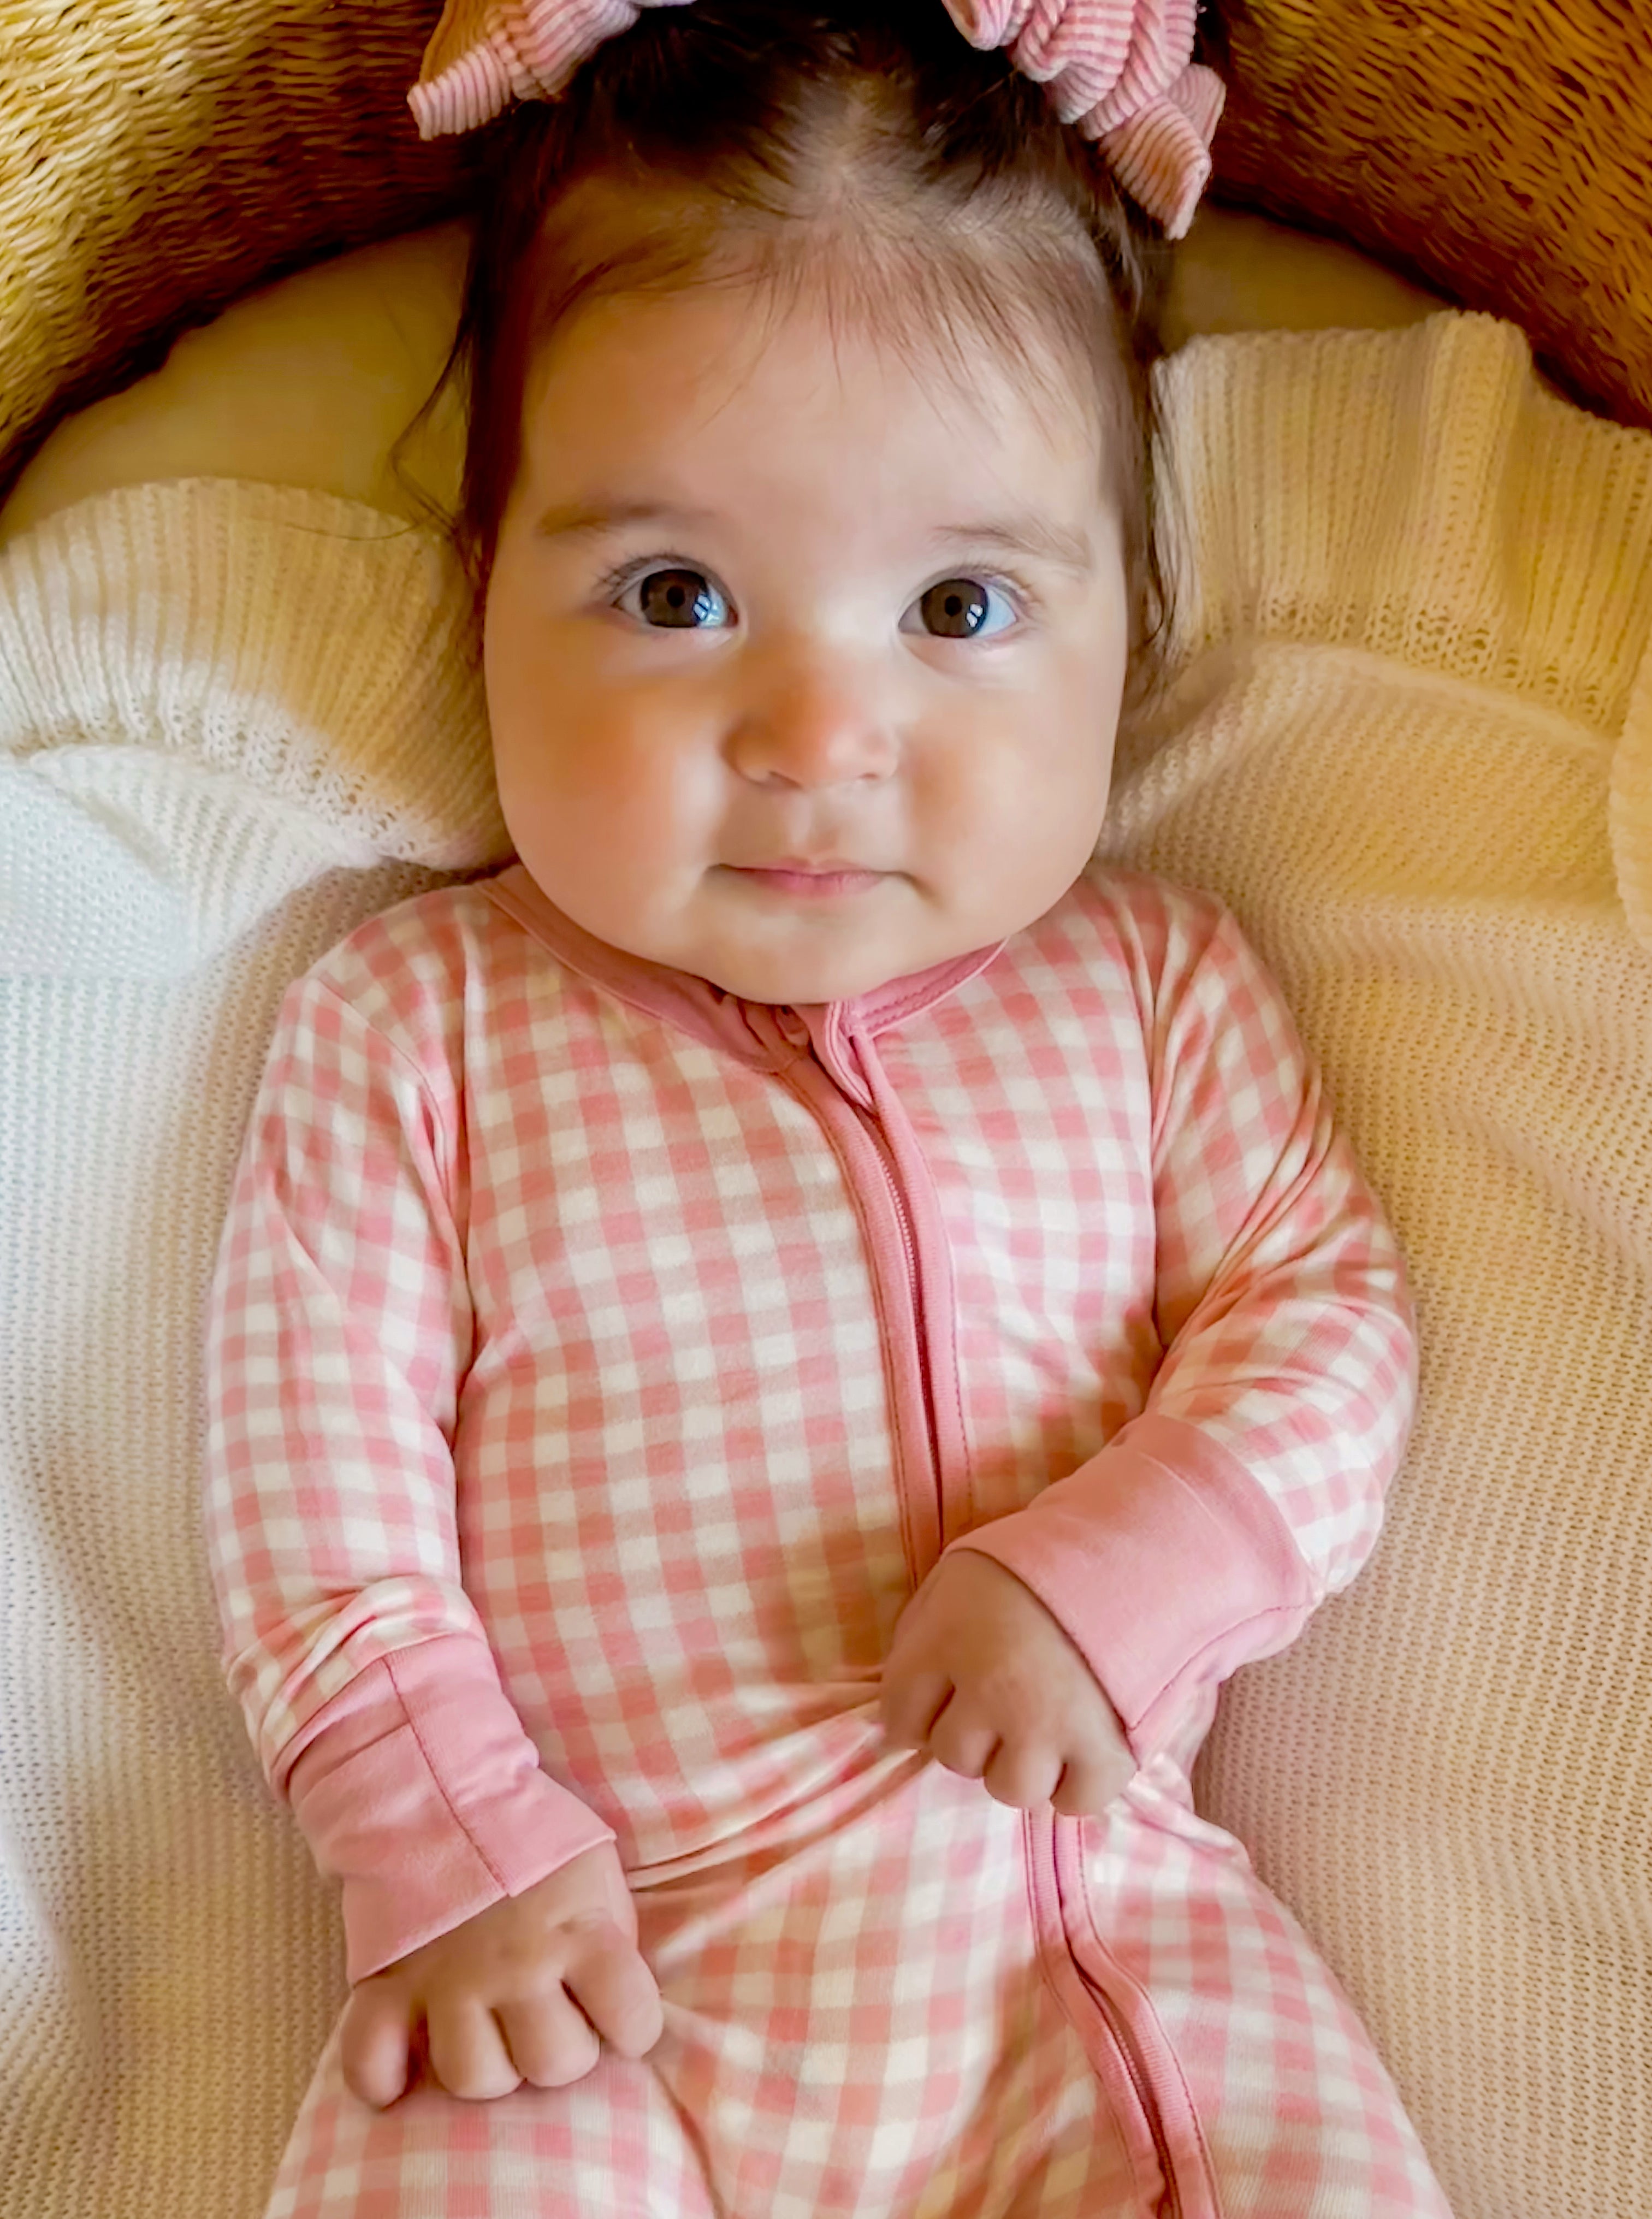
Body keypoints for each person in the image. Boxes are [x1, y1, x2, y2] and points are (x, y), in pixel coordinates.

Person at [202, 3, 1454, 2211]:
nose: (811, 727)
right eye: (671, 593)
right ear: (477, 588)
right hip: (581, 1969)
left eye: (957, 606)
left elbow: (1321, 1311)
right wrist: (443, 1831)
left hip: (1078, 1953)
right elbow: (317, 1501)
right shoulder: (421, 1022)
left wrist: (1124, 1571)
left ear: (1129, 639)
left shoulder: (1147, 985)